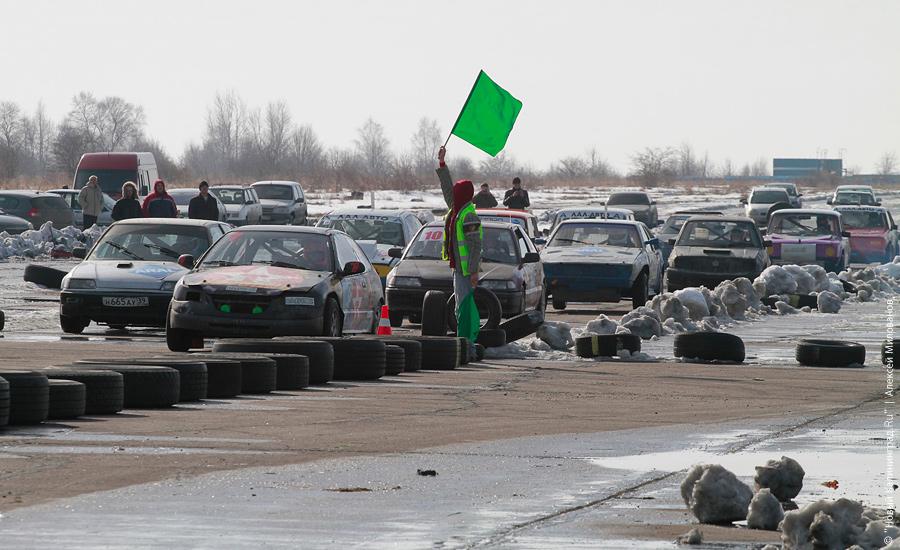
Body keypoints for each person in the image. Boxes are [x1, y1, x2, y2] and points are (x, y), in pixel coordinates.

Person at [437, 146, 482, 360]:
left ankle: (468, 346)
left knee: (464, 307)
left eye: (456, 192)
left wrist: (473, 272)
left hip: (466, 270)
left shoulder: (469, 216)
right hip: (457, 268)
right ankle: (464, 343)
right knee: (459, 307)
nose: (452, 195)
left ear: (463, 195)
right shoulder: (457, 209)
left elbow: (475, 247)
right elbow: (447, 190)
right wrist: (442, 165)